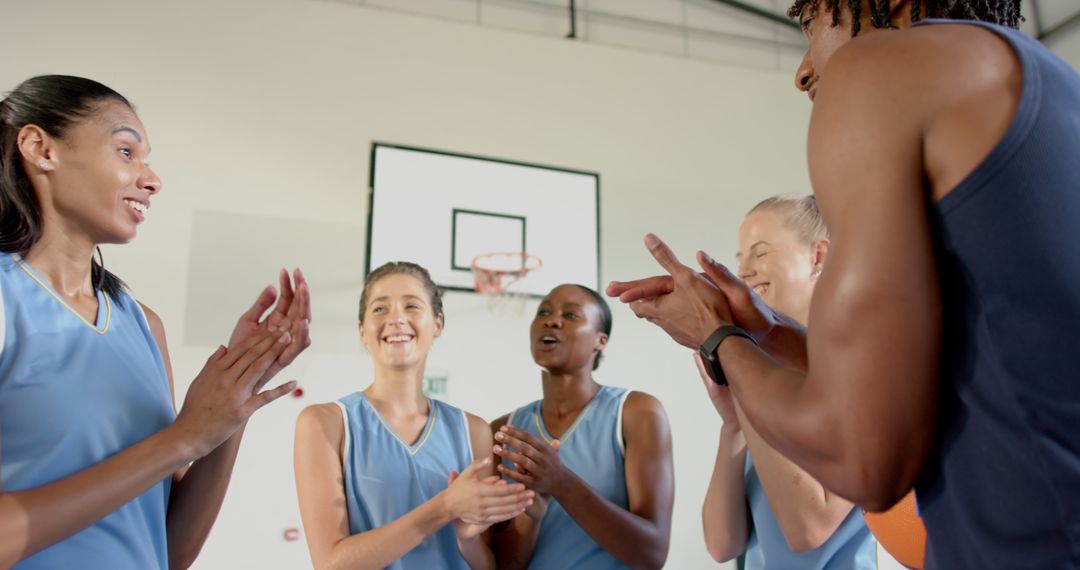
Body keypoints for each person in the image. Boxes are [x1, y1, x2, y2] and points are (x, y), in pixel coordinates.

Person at [608, 0, 1080, 567]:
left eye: (811, 24)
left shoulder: (878, 70)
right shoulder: (1048, 82)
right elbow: (957, 367)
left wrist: (718, 340)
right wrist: (765, 331)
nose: (803, 69)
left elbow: (866, 461)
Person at [0, 75, 312, 569]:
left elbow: (171, 550)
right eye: (126, 151)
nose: (152, 179)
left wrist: (232, 403)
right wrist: (182, 438)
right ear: (41, 148)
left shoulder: (143, 325)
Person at [294, 261, 533, 569]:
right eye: (380, 309)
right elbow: (331, 564)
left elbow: (485, 565)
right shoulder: (325, 423)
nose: (396, 318)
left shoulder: (473, 430)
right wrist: (444, 507)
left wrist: (467, 538)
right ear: (362, 331)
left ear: (438, 324)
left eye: (411, 305)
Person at [701, 194, 878, 568]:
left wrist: (744, 374)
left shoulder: (867, 371)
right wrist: (732, 425)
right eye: (739, 259)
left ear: (818, 257)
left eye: (760, 253)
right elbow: (722, 544)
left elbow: (807, 531)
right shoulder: (760, 371)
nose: (743, 271)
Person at [490, 284, 674, 569]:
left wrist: (562, 483)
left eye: (572, 315)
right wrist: (530, 518)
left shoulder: (637, 411)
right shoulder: (503, 430)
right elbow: (499, 565)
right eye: (544, 311)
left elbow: (652, 555)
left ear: (600, 341)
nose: (552, 320)